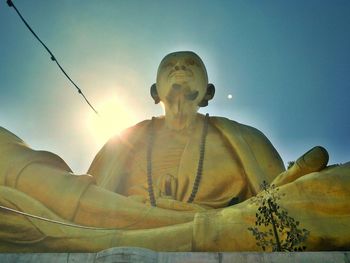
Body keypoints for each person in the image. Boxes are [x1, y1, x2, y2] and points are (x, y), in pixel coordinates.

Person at [0, 51, 349, 252]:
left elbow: (276, 202)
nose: (180, 68)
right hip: (104, 220)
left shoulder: (243, 137)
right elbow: (85, 198)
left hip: (230, 226)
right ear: (155, 90)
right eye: (171, 65)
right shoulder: (125, 139)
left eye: (191, 64)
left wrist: (297, 190)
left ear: (208, 91)